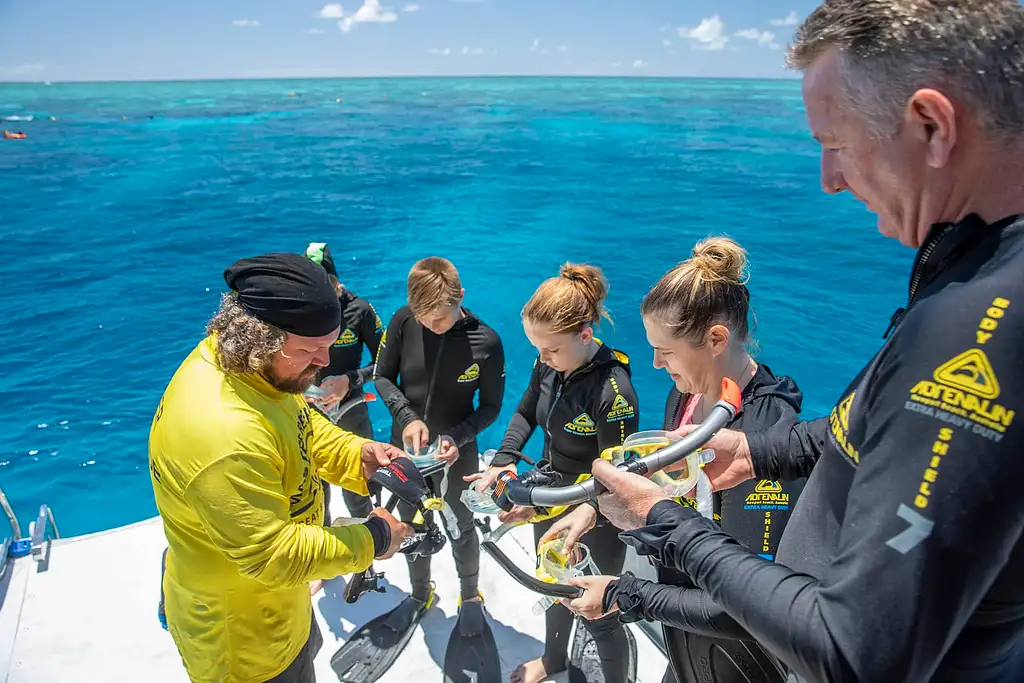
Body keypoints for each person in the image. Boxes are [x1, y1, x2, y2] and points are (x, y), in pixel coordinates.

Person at [564, 2, 1024, 681]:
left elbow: (858, 652)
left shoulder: (974, 327)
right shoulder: (973, 276)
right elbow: (866, 432)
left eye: (835, 144)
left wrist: (668, 525)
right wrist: (757, 450)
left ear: (932, 125)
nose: (828, 179)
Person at [542, 238, 805, 683]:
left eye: (665, 350)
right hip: (683, 633)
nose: (655, 364)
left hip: (738, 658)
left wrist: (623, 596)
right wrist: (589, 510)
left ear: (716, 339)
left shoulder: (767, 432)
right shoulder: (685, 395)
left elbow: (749, 604)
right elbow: (666, 482)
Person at [148, 253, 412, 683]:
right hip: (244, 641)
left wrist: (357, 455)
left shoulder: (251, 367)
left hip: (281, 603)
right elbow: (273, 555)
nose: (325, 362)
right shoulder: (221, 431)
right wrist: (376, 537)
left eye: (329, 345)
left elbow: (300, 425)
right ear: (261, 338)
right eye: (311, 350)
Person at [472, 263, 640, 683]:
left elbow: (619, 484)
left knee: (600, 614)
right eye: (538, 350)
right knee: (552, 587)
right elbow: (527, 410)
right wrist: (504, 458)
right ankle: (553, 660)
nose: (542, 359)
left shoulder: (613, 392)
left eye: (550, 350)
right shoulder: (548, 363)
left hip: (597, 514)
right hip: (550, 494)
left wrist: (564, 509)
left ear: (584, 335)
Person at [373, 256, 506, 608]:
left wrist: (457, 438)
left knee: (461, 528)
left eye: (441, 318)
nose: (432, 326)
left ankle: (469, 596)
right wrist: (406, 417)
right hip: (406, 449)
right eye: (424, 319)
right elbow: (381, 377)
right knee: (411, 525)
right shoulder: (402, 320)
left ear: (460, 295)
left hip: (455, 452)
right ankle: (420, 594)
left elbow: (491, 408)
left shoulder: (487, 343)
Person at [303, 241, 385, 524]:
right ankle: (322, 561)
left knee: (361, 494)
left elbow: (385, 362)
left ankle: (369, 565)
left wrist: (349, 380)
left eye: (324, 283)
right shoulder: (298, 312)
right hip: (309, 414)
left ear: (336, 281)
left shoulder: (359, 310)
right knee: (314, 497)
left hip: (352, 410)